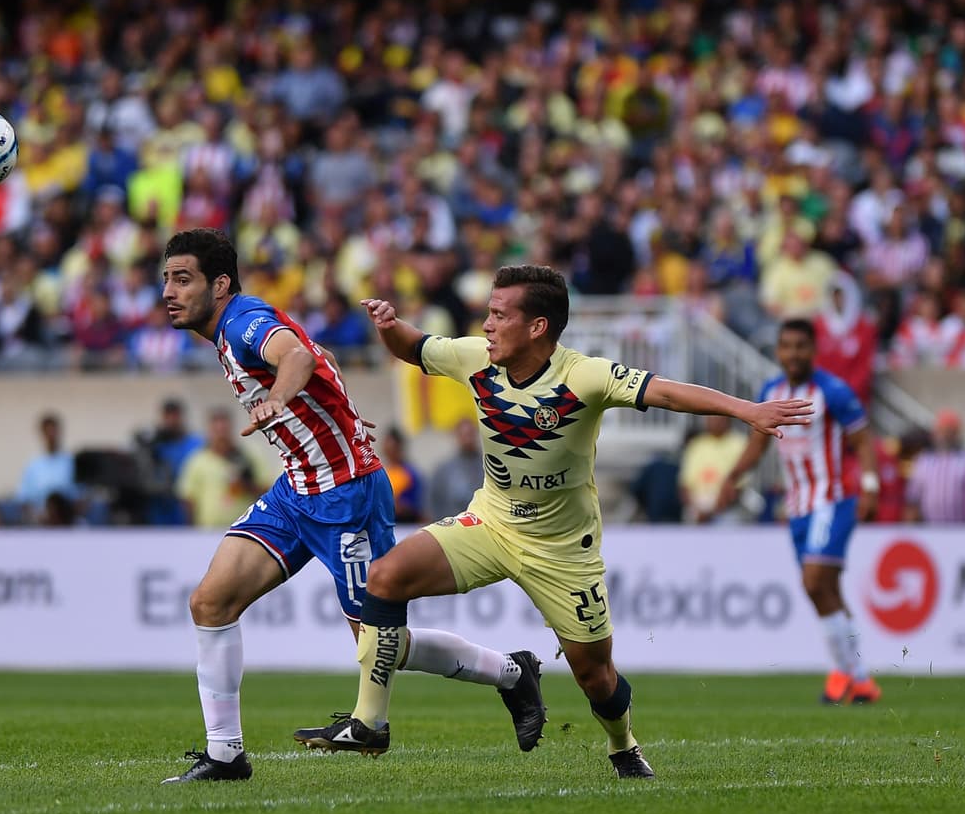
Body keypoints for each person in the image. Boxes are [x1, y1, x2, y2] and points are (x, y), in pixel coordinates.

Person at [293, 265, 811, 780]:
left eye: (499, 314)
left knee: (595, 675)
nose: (487, 324)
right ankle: (369, 723)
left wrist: (747, 410)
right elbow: (416, 347)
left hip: (563, 551)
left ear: (537, 327)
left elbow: (668, 392)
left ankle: (622, 744)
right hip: (491, 524)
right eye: (488, 313)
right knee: (384, 579)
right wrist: (388, 325)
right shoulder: (475, 358)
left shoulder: (584, 376)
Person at [157, 229, 543, 784]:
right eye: (167, 278)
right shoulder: (232, 328)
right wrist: (338, 408)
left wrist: (280, 398)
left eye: (183, 278)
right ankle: (225, 755)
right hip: (297, 490)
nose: (169, 290)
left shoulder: (243, 323)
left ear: (220, 285)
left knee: (378, 644)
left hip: (346, 495)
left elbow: (295, 358)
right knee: (211, 602)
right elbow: (319, 355)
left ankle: (512, 673)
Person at [718, 319, 883, 704]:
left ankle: (845, 673)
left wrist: (871, 488)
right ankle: (859, 680)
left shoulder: (833, 391)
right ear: (778, 351)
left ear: (813, 350)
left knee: (814, 582)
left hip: (833, 500)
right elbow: (756, 446)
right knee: (824, 590)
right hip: (797, 507)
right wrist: (733, 477)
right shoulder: (770, 392)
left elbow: (863, 441)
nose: (793, 354)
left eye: (800, 346)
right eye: (786, 346)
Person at [176, 409, 275, 529]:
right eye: (217, 431)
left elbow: (267, 492)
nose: (221, 436)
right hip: (206, 531)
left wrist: (246, 485)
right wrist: (191, 529)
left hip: (245, 530)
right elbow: (188, 498)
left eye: (224, 431)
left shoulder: (248, 456)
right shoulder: (198, 460)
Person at [903, 409, 965, 524]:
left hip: (964, 529)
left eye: (949, 431)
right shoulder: (923, 461)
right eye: (941, 430)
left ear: (956, 433)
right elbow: (913, 498)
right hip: (932, 529)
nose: (944, 435)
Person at [679, 416, 747, 523]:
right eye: (710, 419)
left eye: (718, 419)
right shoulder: (697, 444)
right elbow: (685, 485)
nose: (714, 422)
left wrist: (713, 510)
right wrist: (696, 509)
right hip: (697, 510)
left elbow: (740, 487)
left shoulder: (739, 443)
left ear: (727, 420)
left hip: (726, 510)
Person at [17, 412, 78, 521]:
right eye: (47, 432)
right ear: (42, 434)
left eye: (53, 431)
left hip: (67, 522)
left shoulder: (71, 463)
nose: (51, 436)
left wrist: (68, 516)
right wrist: (37, 517)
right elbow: (24, 500)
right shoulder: (33, 466)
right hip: (41, 523)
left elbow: (81, 497)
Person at [426, 418, 485, 520]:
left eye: (470, 434)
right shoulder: (443, 471)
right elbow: (433, 503)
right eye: (463, 435)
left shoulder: (488, 468)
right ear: (457, 436)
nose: (467, 440)